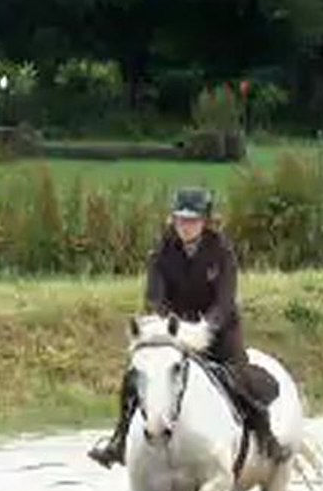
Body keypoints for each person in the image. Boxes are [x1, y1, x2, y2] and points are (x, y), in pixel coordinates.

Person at [87, 186, 290, 469]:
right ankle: (119, 439)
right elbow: (154, 295)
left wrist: (206, 328)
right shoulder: (162, 251)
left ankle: (266, 436)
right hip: (174, 333)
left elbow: (225, 299)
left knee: (240, 378)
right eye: (181, 220)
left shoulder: (222, 251)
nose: (185, 226)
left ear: (204, 221)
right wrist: (167, 323)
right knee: (135, 378)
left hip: (218, 333)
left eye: (192, 220)